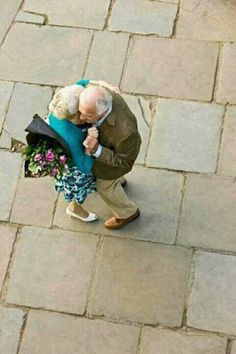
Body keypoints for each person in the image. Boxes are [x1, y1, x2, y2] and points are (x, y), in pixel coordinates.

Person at [47, 79, 118, 222]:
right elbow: (84, 166)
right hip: (75, 164)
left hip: (76, 153)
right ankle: (75, 208)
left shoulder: (73, 97)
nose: (85, 114)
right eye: (82, 113)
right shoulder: (70, 136)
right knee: (78, 187)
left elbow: (83, 82)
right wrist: (89, 145)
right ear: (73, 117)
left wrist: (104, 85)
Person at [80, 85, 142, 230]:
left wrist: (96, 149)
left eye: (88, 116)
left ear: (101, 113)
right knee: (113, 180)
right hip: (114, 150)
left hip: (117, 160)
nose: (82, 118)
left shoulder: (126, 133)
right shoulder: (102, 95)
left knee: (104, 187)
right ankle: (119, 181)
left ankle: (127, 213)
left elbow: (124, 161)